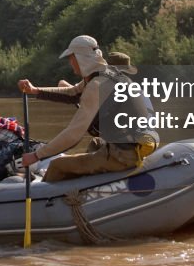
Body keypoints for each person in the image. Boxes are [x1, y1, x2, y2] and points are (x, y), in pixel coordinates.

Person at [18, 36, 159, 182]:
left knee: (57, 165)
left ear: (80, 58)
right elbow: (73, 93)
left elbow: (74, 134)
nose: (70, 62)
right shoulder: (108, 75)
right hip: (135, 145)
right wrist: (35, 90)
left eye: (71, 58)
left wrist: (36, 155)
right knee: (95, 143)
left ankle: (49, 200)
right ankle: (83, 188)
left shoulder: (96, 86)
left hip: (124, 154)